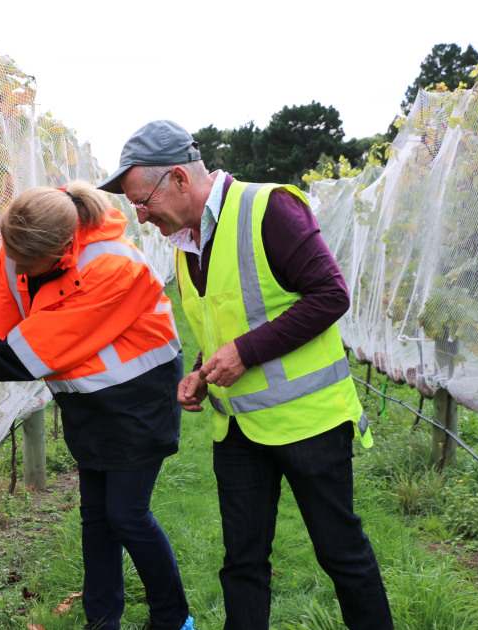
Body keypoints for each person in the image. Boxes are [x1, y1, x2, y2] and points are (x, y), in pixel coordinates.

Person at [96, 120, 393, 630]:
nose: (142, 218)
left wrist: (245, 353)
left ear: (181, 181)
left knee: (341, 555)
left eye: (143, 202)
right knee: (242, 563)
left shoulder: (269, 207)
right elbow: (224, 325)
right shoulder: (186, 242)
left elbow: (330, 294)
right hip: (238, 428)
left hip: (310, 423)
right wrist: (201, 372)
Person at [0, 180, 195, 630]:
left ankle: (173, 621)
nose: (17, 267)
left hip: (138, 401)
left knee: (128, 516)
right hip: (88, 404)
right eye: (13, 257)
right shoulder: (21, 247)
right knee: (96, 517)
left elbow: (34, 352)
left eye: (28, 262)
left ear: (63, 247)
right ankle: (102, 621)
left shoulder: (113, 267)